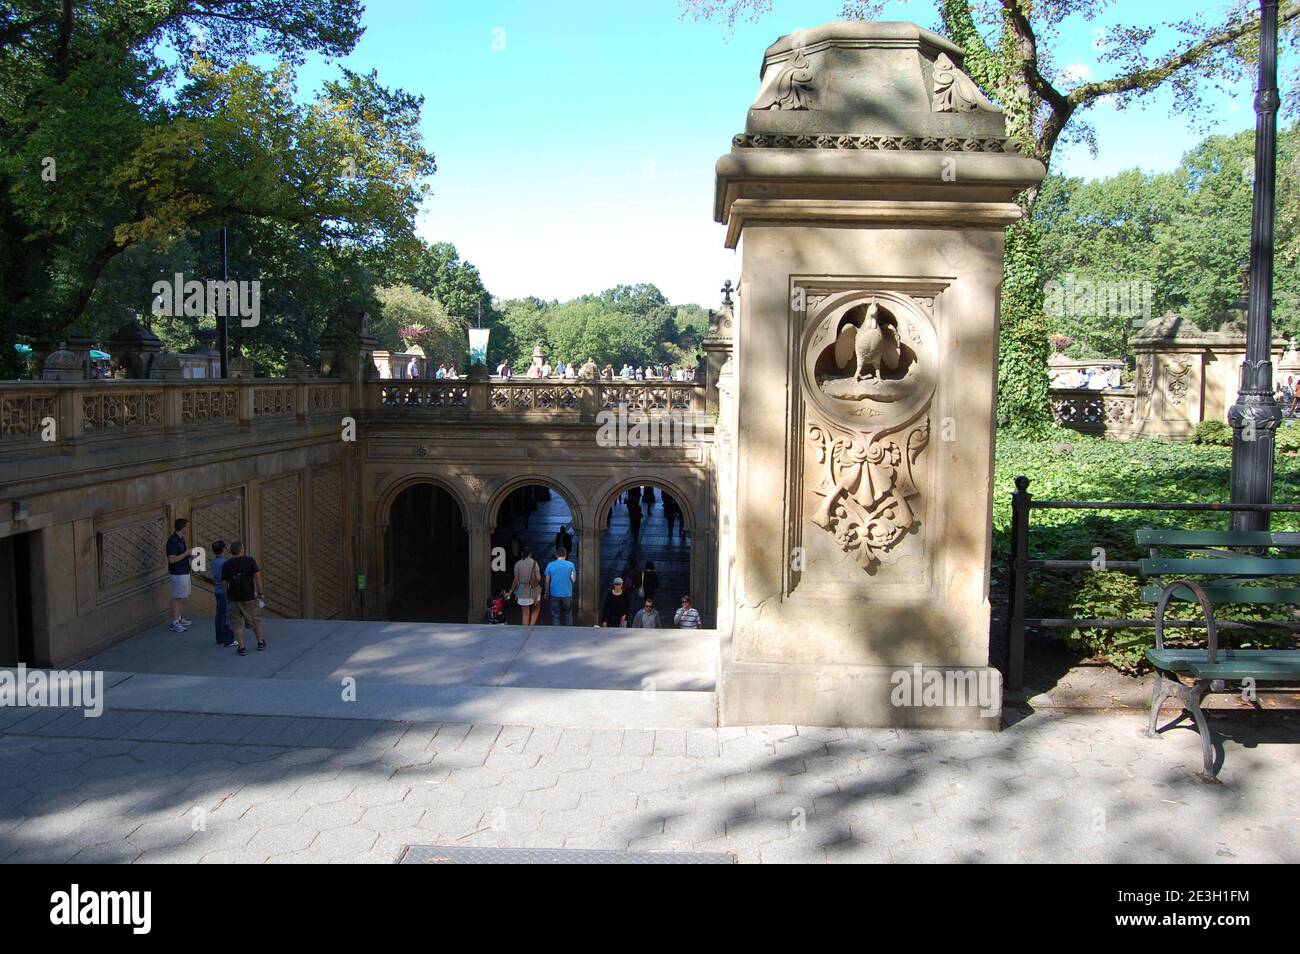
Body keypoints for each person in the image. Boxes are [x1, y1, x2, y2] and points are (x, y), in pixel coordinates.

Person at [220, 540, 265, 656]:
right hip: (248, 596)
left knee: (236, 623)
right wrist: (260, 593)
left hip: (233, 597)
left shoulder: (227, 564)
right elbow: (257, 577)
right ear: (241, 550)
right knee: (254, 619)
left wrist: (226, 596)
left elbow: (224, 582)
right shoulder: (250, 561)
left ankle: (242, 647)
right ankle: (260, 642)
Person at [165, 518, 192, 633]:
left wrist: (189, 556)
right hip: (177, 573)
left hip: (184, 570)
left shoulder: (181, 539)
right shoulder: (172, 541)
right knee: (176, 597)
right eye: (187, 526)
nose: (188, 528)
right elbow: (172, 559)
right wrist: (186, 553)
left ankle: (179, 618)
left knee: (180, 596)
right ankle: (175, 622)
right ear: (182, 527)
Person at [210, 540, 236, 647]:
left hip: (217, 590)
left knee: (219, 615)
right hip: (225, 591)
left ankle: (219, 637)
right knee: (228, 615)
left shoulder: (213, 562)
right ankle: (229, 639)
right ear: (223, 549)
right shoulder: (225, 563)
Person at [544, 545, 576, 626]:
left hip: (554, 593)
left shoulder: (550, 565)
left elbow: (547, 581)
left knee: (555, 615)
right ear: (565, 555)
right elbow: (574, 579)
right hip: (567, 593)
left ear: (556, 555)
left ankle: (556, 632)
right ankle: (569, 631)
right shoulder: (570, 565)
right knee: (568, 614)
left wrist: (546, 592)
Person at [510, 546, 541, 626]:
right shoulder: (534, 563)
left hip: (522, 590)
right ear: (530, 554)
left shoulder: (517, 564)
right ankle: (532, 625)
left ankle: (524, 631)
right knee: (537, 606)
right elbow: (539, 578)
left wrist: (510, 591)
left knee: (525, 614)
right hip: (534, 589)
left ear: (521, 553)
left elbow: (516, 579)